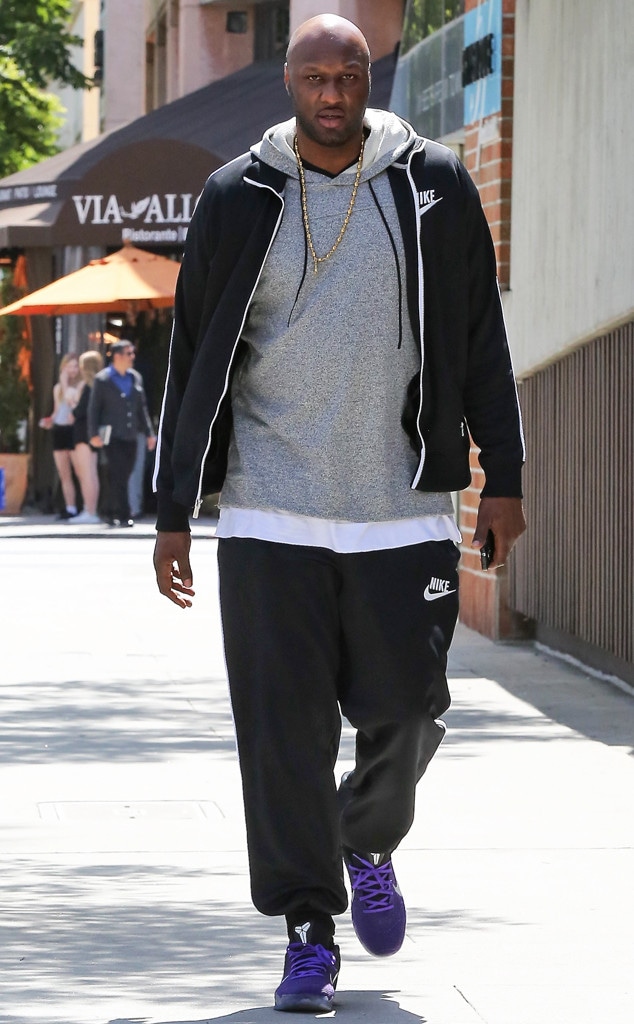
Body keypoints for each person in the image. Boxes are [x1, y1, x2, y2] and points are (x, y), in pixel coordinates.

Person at [153, 14, 526, 1013]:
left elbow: (480, 334)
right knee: (283, 734)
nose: (331, 93)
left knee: (409, 709)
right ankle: (309, 931)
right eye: (314, 76)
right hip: (269, 512)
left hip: (402, 508)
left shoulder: (434, 183)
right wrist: (174, 508)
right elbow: (192, 352)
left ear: (369, 80)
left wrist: (505, 474)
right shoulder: (236, 195)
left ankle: (364, 836)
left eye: (348, 75)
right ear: (289, 82)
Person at [88, 339, 156, 527]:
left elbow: (142, 408)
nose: (132, 357)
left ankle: (108, 511)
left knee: (123, 473)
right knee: (118, 472)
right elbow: (94, 409)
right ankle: (123, 514)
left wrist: (149, 433)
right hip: (111, 435)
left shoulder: (135, 377)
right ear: (117, 356)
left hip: (131, 434)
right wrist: (93, 434)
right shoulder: (103, 379)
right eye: (129, 353)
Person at [39, 353, 82, 519]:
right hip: (60, 429)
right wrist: (49, 420)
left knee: (80, 471)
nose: (72, 370)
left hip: (74, 430)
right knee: (64, 473)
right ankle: (70, 507)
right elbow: (58, 411)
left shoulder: (80, 385)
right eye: (69, 366)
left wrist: (64, 384)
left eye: (75, 366)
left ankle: (85, 507)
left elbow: (72, 403)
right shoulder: (57, 389)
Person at [70, 350, 104, 525]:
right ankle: (90, 509)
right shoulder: (100, 385)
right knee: (91, 473)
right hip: (91, 432)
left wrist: (73, 403)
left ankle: (89, 510)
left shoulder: (87, 387)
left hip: (83, 432)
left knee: (86, 474)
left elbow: (78, 411)